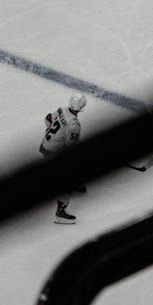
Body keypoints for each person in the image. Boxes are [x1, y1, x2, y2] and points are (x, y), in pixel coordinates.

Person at [40, 92, 87, 225]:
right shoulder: (74, 124)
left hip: (45, 146)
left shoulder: (62, 110)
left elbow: (47, 119)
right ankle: (60, 213)